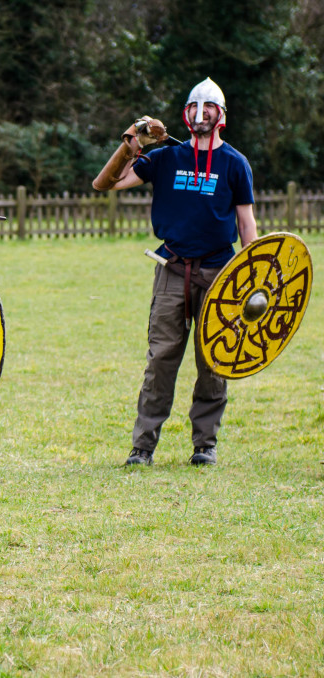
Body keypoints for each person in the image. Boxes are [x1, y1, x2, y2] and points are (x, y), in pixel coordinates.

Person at [92, 78, 258, 467]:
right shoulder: (166, 158)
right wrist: (133, 140)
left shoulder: (235, 163)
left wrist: (254, 276)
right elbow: (106, 183)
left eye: (210, 108)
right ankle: (143, 447)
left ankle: (205, 445)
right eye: (196, 108)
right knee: (161, 359)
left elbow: (247, 225)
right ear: (186, 115)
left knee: (214, 360)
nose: (202, 114)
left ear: (221, 116)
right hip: (172, 269)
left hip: (220, 273)